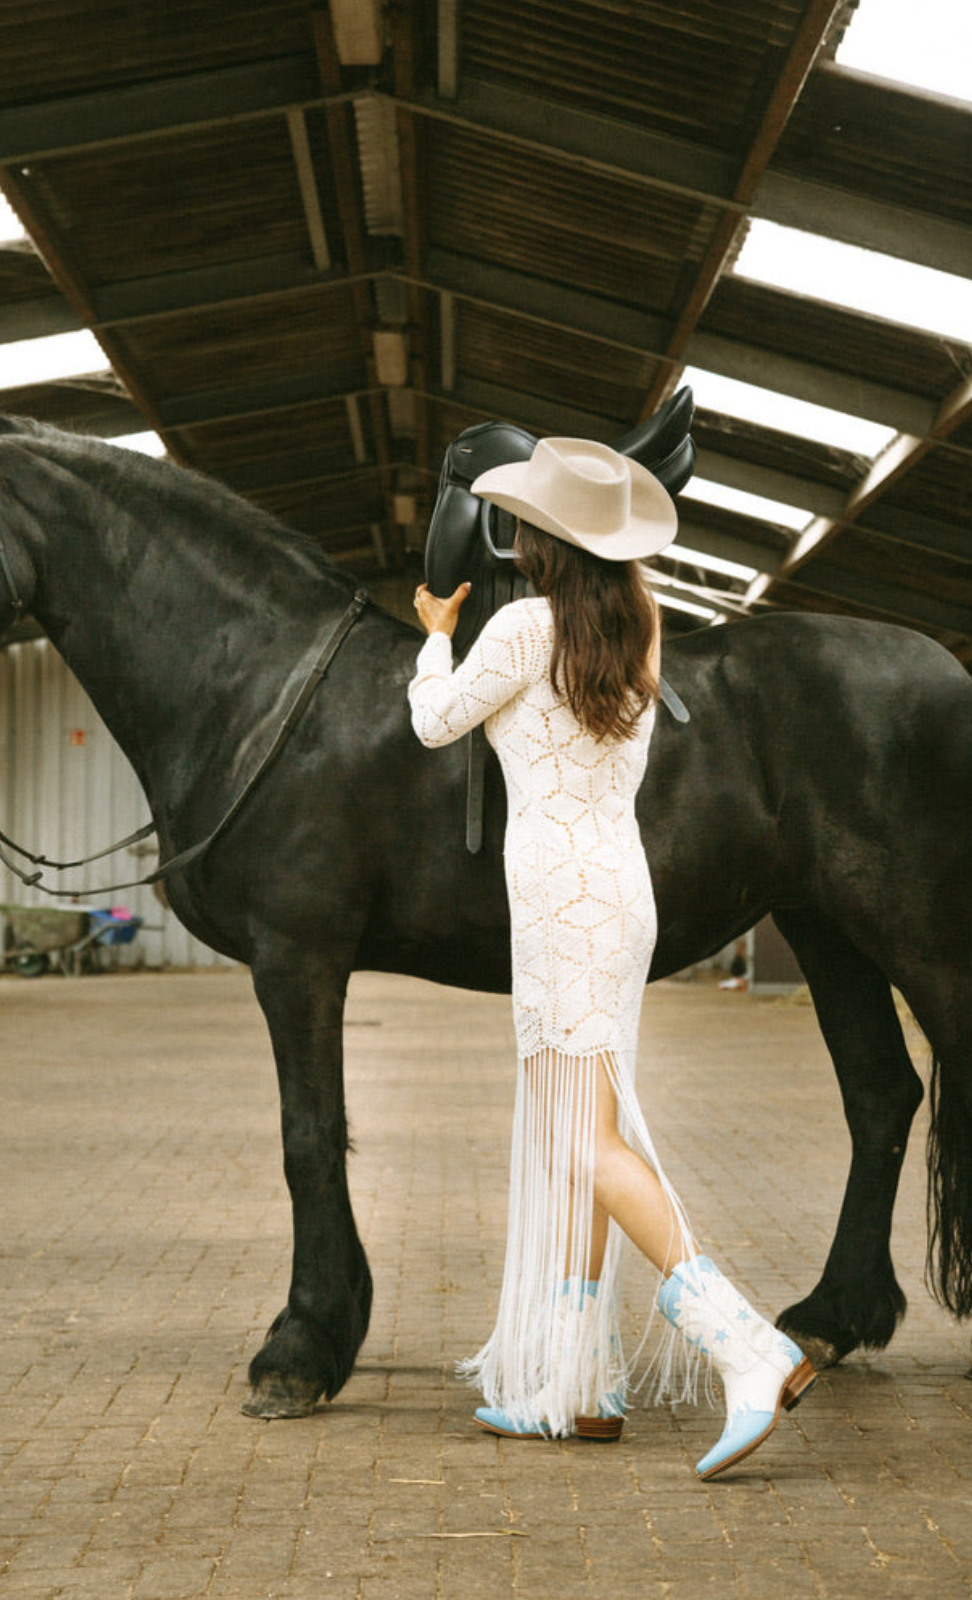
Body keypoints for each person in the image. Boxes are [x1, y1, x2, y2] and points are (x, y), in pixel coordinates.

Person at [407, 437, 816, 1480]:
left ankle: (748, 1344)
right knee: (578, 1135)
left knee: (583, 1143)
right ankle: (575, 1385)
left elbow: (431, 724)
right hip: (619, 894)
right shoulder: (642, 626)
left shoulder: (513, 628)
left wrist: (431, 638)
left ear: (540, 539)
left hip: (555, 900)